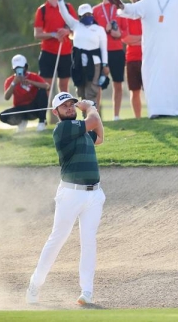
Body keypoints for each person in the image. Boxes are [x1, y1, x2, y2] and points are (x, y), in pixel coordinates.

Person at [26, 91, 105, 306]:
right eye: (65, 106)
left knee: (89, 242)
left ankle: (86, 291)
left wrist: (90, 109)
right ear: (56, 112)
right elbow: (94, 120)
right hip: (71, 194)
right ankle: (35, 283)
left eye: (72, 104)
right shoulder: (63, 129)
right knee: (58, 238)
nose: (70, 108)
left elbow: (99, 137)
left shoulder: (80, 129)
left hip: (94, 194)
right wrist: (89, 106)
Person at [117, 0, 178, 119]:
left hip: (176, 51)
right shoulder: (149, 1)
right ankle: (156, 110)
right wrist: (121, 5)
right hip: (154, 52)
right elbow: (132, 10)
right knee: (155, 80)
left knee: (176, 79)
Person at [55, 0, 109, 104]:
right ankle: (86, 119)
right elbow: (64, 14)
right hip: (79, 63)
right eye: (84, 15)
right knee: (82, 93)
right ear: (80, 17)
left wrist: (105, 65)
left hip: (95, 64)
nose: (87, 16)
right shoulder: (76, 25)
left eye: (89, 14)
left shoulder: (99, 29)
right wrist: (60, 0)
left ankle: (93, 118)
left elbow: (104, 49)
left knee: (92, 92)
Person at [34, 0, 77, 95]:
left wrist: (66, 31)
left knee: (64, 86)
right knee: (46, 86)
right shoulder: (42, 10)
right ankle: (43, 112)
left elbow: (77, 28)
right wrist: (53, 35)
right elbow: (37, 34)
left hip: (65, 52)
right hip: (48, 52)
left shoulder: (67, 7)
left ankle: (64, 111)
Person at [93, 0, 124, 121]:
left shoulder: (119, 8)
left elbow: (125, 29)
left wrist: (120, 34)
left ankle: (116, 116)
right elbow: (92, 31)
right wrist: (103, 30)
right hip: (101, 51)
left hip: (117, 50)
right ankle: (96, 115)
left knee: (118, 83)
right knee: (98, 84)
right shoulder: (95, 10)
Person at [1, 54, 50, 132]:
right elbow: (6, 97)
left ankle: (42, 121)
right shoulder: (10, 80)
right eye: (16, 68)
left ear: (26, 67)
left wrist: (31, 82)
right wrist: (14, 83)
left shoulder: (33, 76)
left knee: (42, 90)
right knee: (2, 116)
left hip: (34, 108)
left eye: (21, 67)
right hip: (20, 109)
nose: (19, 70)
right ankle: (21, 122)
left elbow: (47, 86)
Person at [118, 0, 146, 118]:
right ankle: (138, 118)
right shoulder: (127, 17)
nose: (139, 1)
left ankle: (154, 113)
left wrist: (137, 39)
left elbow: (152, 37)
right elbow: (125, 38)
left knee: (151, 90)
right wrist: (142, 39)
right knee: (134, 91)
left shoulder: (148, 16)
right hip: (132, 58)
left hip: (148, 58)